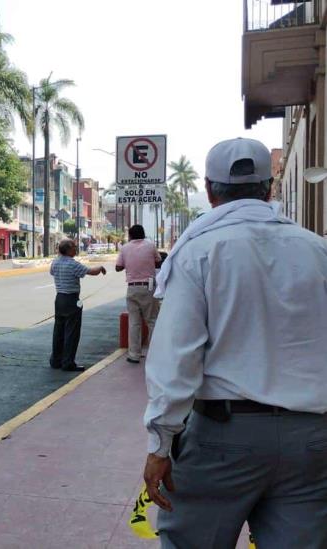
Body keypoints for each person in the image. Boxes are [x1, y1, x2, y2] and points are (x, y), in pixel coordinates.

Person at [142, 138, 327, 548]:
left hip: (224, 439)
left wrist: (160, 443)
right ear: (270, 187)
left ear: (210, 191)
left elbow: (177, 360)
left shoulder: (199, 253)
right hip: (312, 439)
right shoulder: (319, 251)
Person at [49, 238, 107, 371]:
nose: (76, 249)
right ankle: (68, 362)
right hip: (71, 300)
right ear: (68, 250)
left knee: (59, 330)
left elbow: (52, 272)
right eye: (74, 247)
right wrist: (100, 268)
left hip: (59, 299)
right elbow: (91, 271)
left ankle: (56, 360)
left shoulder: (55, 262)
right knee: (72, 332)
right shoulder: (72, 264)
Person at [115, 224, 162, 364]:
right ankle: (154, 353)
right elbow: (159, 262)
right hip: (148, 287)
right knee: (152, 320)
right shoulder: (151, 246)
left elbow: (118, 267)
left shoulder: (125, 248)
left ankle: (134, 354)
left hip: (132, 288)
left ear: (130, 235)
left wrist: (128, 264)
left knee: (134, 322)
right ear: (143, 234)